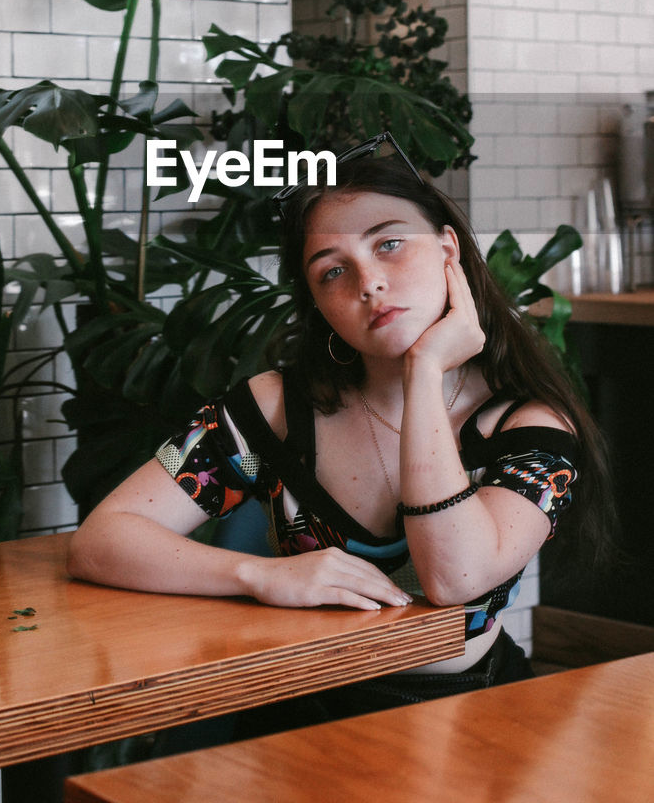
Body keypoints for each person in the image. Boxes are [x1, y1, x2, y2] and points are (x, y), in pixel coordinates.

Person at [67, 134, 612, 722]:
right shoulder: (276, 411)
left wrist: (424, 374)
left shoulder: (528, 425)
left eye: (391, 245)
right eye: (332, 272)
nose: (369, 282)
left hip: (469, 714)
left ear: (449, 251)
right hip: (297, 711)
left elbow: (454, 578)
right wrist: (259, 575)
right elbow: (103, 540)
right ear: (317, 304)